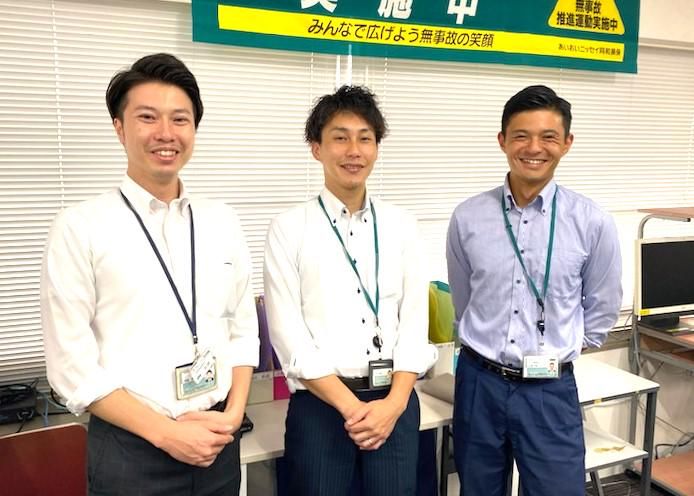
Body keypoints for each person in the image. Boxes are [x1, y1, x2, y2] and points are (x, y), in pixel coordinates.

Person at [40, 53, 259, 496]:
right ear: (119, 128)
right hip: (132, 452)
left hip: (218, 441)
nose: (165, 133)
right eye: (147, 117)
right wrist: (167, 434)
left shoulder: (222, 220)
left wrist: (233, 415)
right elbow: (71, 367)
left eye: (180, 119)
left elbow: (242, 331)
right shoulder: (80, 227)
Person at [446, 85, 622, 496]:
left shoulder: (592, 222)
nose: (534, 148)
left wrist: (559, 348)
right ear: (502, 140)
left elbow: (602, 308)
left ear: (567, 143)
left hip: (549, 390)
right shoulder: (468, 217)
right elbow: (464, 299)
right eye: (521, 136)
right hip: (479, 384)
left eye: (548, 137)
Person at [263, 85, 437, 496]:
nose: (353, 151)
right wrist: (353, 408)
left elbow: (414, 324)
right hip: (321, 407)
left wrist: (393, 405)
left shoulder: (402, 226)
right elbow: (289, 339)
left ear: (377, 147)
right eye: (340, 138)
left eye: (365, 138)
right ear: (317, 148)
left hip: (394, 401)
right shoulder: (289, 228)